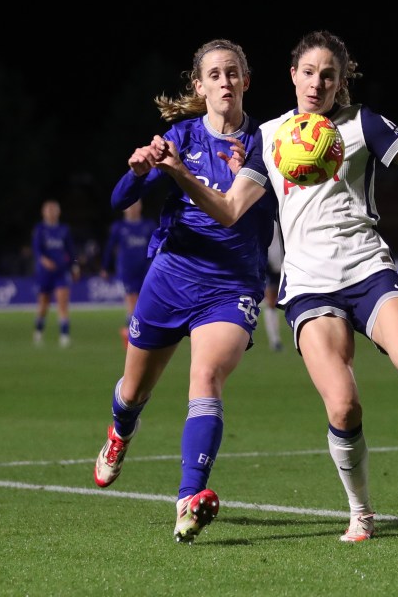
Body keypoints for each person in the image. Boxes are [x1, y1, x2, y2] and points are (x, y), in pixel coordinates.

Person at [146, 29, 398, 543]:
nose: (318, 83)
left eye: (329, 76)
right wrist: (180, 173)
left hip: (366, 270)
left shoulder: (363, 125)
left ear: (341, 83)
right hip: (310, 287)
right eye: (309, 73)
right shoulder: (270, 137)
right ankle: (361, 512)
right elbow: (228, 210)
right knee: (343, 405)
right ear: (293, 75)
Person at [91, 38, 277, 544]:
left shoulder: (270, 142)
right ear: (199, 86)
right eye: (213, 74)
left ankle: (188, 500)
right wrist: (137, 171)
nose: (224, 81)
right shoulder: (181, 136)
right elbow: (118, 199)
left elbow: (258, 206)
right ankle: (119, 434)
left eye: (232, 72)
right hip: (171, 277)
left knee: (207, 374)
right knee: (133, 392)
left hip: (231, 285)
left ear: (246, 80)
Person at [100, 200, 157, 350]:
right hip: (126, 270)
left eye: (136, 205)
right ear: (124, 209)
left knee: (143, 303)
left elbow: (157, 246)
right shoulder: (119, 227)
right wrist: (106, 267)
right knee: (132, 301)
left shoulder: (149, 225)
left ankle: (134, 333)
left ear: (141, 207)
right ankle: (132, 336)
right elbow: (110, 248)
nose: (132, 208)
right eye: (130, 206)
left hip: (146, 269)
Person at [31, 199, 80, 347]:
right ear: (43, 212)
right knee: (43, 305)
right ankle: (38, 331)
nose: (52, 212)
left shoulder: (64, 229)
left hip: (61, 271)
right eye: (49, 210)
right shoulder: (40, 229)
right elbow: (37, 249)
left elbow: (71, 251)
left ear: (58, 212)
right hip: (44, 273)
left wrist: (75, 266)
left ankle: (64, 335)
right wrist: (44, 260)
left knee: (63, 303)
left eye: (54, 209)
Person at [262, 220, 284, 352]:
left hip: (285, 261)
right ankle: (275, 340)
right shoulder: (265, 216)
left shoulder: (282, 212)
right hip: (270, 263)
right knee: (271, 301)